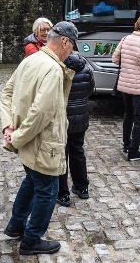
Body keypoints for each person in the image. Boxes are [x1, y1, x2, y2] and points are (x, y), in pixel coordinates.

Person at [0, 21, 77, 255]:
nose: (71, 52)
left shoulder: (31, 60)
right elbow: (41, 113)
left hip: (31, 142)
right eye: (72, 47)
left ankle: (16, 226)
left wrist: (9, 126)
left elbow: (6, 93)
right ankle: (32, 240)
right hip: (43, 143)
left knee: (32, 183)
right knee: (48, 190)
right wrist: (17, 137)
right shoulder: (53, 69)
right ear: (64, 41)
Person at [112, 14, 140, 161]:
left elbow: (115, 59)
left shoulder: (125, 39)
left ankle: (126, 144)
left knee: (128, 115)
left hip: (125, 85)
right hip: (139, 88)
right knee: (139, 119)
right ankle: (134, 152)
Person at [57, 53, 95, 207]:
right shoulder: (86, 69)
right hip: (80, 117)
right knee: (78, 151)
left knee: (61, 155)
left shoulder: (59, 69)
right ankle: (82, 187)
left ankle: (63, 193)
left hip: (64, 118)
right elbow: (90, 90)